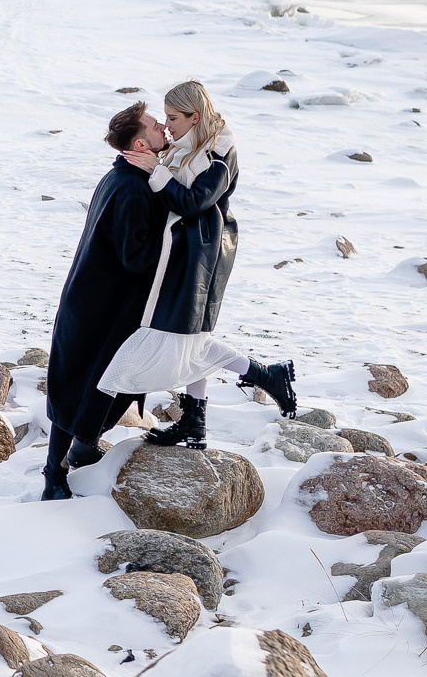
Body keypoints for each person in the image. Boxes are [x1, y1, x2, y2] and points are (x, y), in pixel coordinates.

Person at [107, 80, 296, 450]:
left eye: (173, 117)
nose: (168, 124)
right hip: (183, 250)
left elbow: (195, 202)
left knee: (186, 338)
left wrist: (154, 171)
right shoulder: (187, 144)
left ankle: (253, 383)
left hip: (203, 254)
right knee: (194, 339)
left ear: (195, 116)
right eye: (164, 117)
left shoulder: (219, 153)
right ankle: (204, 415)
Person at [40, 100, 171, 500]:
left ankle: (80, 450)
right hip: (101, 308)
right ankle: (54, 478)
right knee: (83, 386)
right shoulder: (134, 189)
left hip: (87, 300)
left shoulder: (118, 175)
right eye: (154, 125)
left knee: (78, 383)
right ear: (141, 145)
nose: (163, 126)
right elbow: (137, 257)